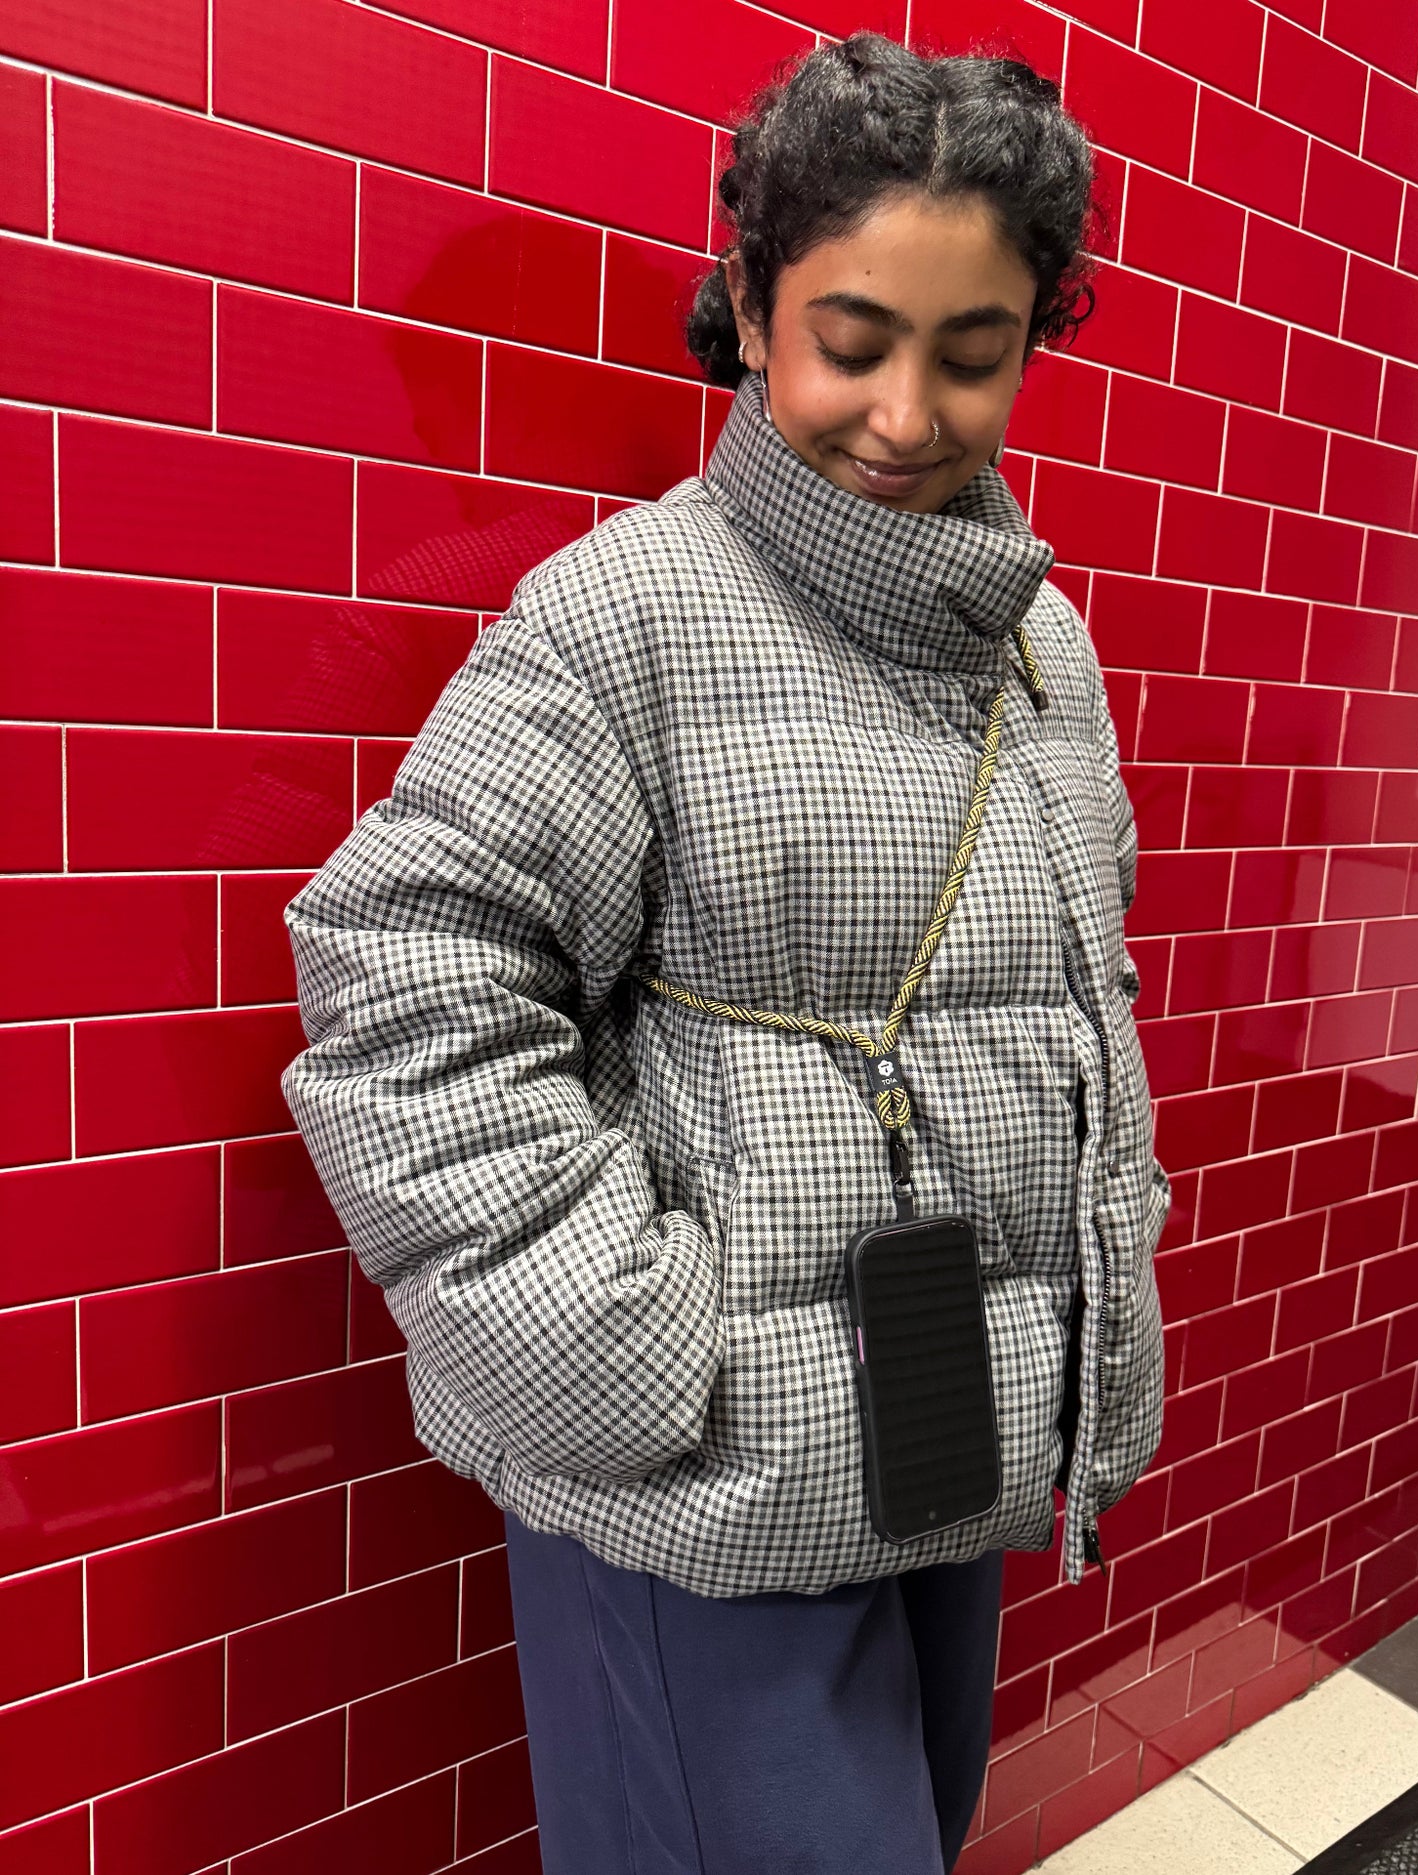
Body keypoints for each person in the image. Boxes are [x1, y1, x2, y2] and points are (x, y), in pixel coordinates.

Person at [281, 32, 1169, 1874]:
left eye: (971, 354)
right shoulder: (626, 618)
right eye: (852, 341)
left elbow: (1080, 1004)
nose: (907, 415)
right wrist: (650, 1364)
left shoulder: (1040, 650)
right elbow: (400, 997)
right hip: (704, 1487)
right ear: (755, 305)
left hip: (943, 1441)